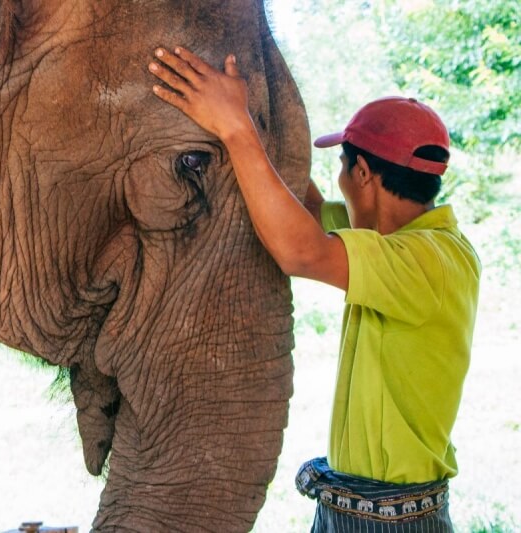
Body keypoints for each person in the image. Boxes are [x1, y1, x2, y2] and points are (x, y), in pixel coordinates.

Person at [147, 47, 480, 532]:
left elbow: (300, 250)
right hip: (352, 508)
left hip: (395, 523)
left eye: (343, 168)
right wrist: (248, 119)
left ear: (363, 174)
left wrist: (237, 129)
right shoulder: (396, 241)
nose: (338, 182)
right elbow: (300, 210)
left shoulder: (430, 260)